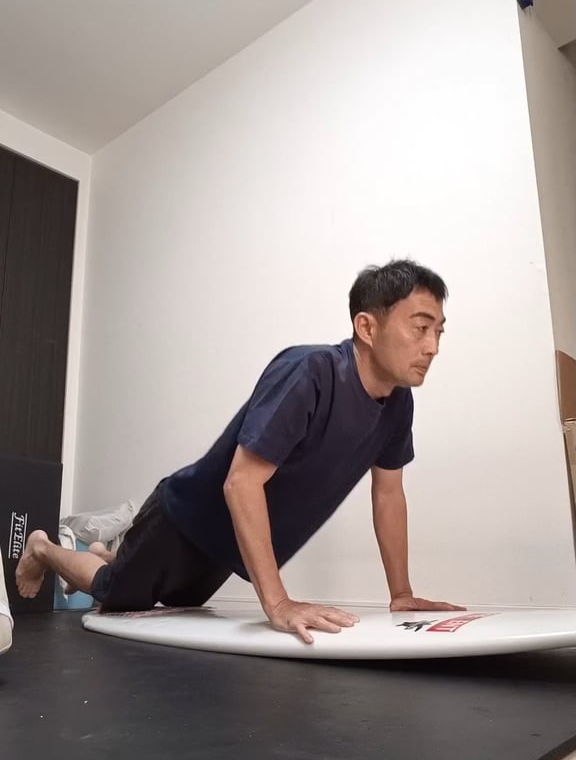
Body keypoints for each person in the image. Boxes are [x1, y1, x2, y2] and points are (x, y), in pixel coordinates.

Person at [16, 259, 463, 643]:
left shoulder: (398, 404)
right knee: (117, 595)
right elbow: (242, 482)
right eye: (421, 328)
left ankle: (110, 553)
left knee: (173, 600)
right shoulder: (310, 372)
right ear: (367, 327)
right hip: (186, 518)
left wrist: (401, 594)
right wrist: (278, 602)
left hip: (230, 545)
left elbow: (388, 495)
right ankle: (43, 548)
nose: (433, 347)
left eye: (438, 332)